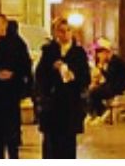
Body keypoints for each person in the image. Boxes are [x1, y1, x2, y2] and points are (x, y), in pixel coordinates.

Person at [33, 17, 90, 159]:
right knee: (51, 144)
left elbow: (85, 78)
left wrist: (73, 76)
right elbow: (40, 76)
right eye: (61, 31)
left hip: (70, 104)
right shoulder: (49, 51)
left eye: (68, 30)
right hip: (52, 104)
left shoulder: (78, 53)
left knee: (68, 144)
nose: (65, 34)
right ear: (56, 32)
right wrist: (52, 69)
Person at [0, 15, 32, 159]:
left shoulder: (17, 43)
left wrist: (13, 74)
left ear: (5, 25)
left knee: (11, 131)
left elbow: (25, 66)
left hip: (11, 93)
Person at [85, 44, 125, 118]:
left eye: (100, 55)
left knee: (93, 93)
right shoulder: (111, 61)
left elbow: (110, 77)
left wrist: (101, 69)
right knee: (92, 92)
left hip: (117, 87)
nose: (99, 57)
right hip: (113, 85)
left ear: (105, 53)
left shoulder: (115, 61)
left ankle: (100, 112)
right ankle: (98, 113)